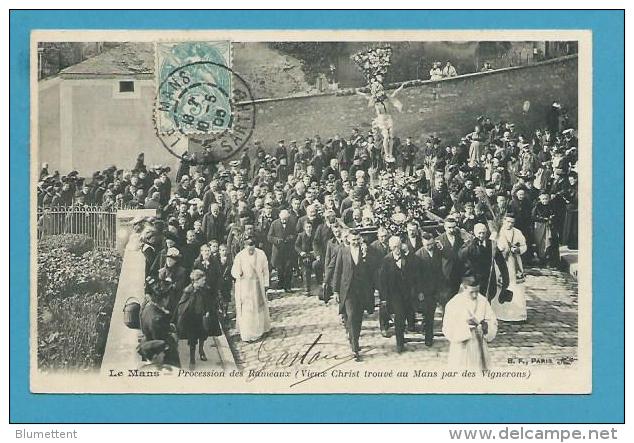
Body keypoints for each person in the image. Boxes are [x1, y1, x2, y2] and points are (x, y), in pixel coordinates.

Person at [442, 275, 498, 370]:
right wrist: (465, 327)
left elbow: (492, 321)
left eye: (477, 291)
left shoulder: (483, 301)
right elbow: (447, 328)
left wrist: (487, 327)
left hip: (479, 347)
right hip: (461, 348)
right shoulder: (453, 304)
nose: (475, 295)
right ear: (463, 288)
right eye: (471, 292)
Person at [332, 230, 370, 361]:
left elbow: (369, 270)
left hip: (361, 290)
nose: (355, 242)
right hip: (347, 290)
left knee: (358, 317)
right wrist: (335, 291)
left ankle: (354, 337)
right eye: (353, 239)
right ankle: (355, 348)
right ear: (348, 239)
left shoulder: (365, 251)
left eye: (357, 239)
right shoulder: (343, 251)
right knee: (352, 315)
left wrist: (365, 257)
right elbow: (337, 271)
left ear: (360, 239)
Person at [379, 236, 419, 353]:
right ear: (391, 247)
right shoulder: (386, 260)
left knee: (407, 314)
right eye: (394, 247)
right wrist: (384, 298)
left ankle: (402, 335)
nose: (397, 249)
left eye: (399, 246)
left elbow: (414, 275)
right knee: (399, 317)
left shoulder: (408, 257)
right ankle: (399, 343)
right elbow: (383, 281)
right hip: (394, 294)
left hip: (407, 293)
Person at [176, 269, 220, 368]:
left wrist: (208, 311)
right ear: (196, 280)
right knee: (192, 339)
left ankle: (201, 350)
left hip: (203, 317)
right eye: (202, 280)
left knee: (203, 335)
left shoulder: (205, 289)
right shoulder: (188, 291)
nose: (204, 281)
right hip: (192, 319)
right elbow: (182, 305)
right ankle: (192, 358)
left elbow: (209, 301)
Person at [231, 237, 271, 342]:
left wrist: (266, 283)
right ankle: (248, 333)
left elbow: (266, 270)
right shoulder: (240, 256)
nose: (251, 251)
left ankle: (261, 330)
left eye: (253, 248)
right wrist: (238, 273)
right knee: (247, 309)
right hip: (245, 286)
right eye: (249, 249)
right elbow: (234, 271)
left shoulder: (261, 254)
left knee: (259, 308)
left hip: (258, 285)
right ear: (245, 246)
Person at [491, 213, 528, 322]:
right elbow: (491, 246)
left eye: (512, 222)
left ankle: (517, 314)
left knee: (516, 286)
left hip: (514, 263)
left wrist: (518, 250)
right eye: (508, 222)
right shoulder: (497, 231)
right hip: (501, 263)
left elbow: (524, 245)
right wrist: (499, 250)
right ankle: (499, 313)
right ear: (503, 220)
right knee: (501, 285)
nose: (510, 224)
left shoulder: (517, 232)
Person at [459, 223, 509, 301]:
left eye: (483, 233)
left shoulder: (492, 244)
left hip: (489, 280)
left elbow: (501, 263)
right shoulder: (469, 244)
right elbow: (461, 256)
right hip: (474, 281)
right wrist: (471, 243)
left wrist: (505, 281)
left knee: (487, 303)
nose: (482, 235)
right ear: (475, 233)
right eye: (479, 233)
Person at [140, 276, 180, 367]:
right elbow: (161, 341)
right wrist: (173, 336)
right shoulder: (158, 319)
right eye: (168, 298)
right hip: (159, 356)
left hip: (149, 344)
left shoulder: (147, 307)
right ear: (164, 299)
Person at [415, 232, 444, 346]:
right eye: (427, 245)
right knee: (428, 314)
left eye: (431, 244)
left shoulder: (438, 252)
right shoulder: (418, 255)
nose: (430, 247)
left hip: (438, 287)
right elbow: (416, 276)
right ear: (423, 243)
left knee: (433, 312)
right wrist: (420, 291)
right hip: (425, 290)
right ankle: (428, 337)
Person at [267, 209, 296, 292]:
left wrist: (290, 238)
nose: (284, 220)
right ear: (279, 217)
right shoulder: (274, 224)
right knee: (280, 268)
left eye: (286, 219)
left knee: (288, 267)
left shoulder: (291, 223)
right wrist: (276, 240)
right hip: (278, 250)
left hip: (288, 250)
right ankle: (281, 284)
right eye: (283, 219)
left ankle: (288, 286)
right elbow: (269, 236)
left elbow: (295, 234)